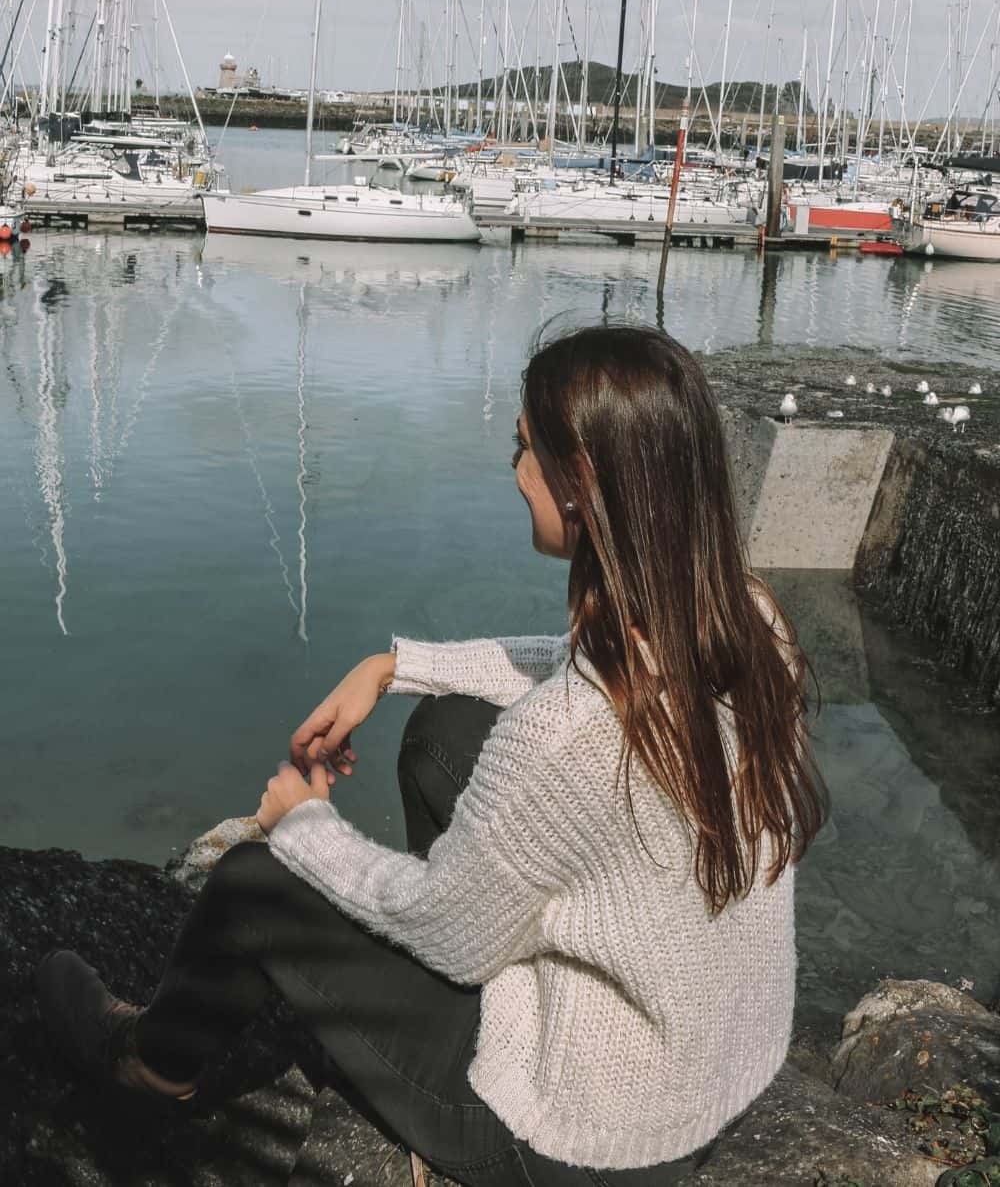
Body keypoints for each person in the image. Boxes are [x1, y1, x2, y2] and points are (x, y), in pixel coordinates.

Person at [37, 325, 827, 1184]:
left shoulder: (565, 734)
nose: (512, 467)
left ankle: (149, 1064)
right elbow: (567, 666)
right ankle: (462, 955)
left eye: (524, 448)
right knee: (445, 734)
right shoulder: (751, 622)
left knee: (252, 886)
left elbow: (448, 929)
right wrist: (393, 667)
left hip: (574, 1138)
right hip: (709, 1066)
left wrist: (300, 824)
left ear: (582, 482)